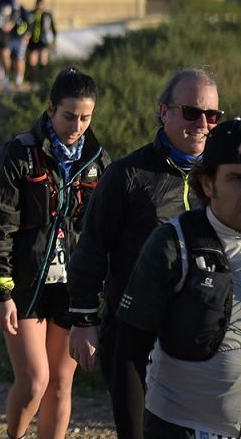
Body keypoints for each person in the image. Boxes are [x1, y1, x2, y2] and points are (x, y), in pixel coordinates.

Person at [67, 68, 221, 438]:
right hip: (134, 336)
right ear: (164, 111)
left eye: (212, 116)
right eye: (191, 112)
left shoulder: (223, 181)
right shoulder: (127, 175)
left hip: (201, 339)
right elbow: (91, 247)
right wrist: (83, 321)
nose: (202, 123)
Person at [0, 68, 110, 439]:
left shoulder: (99, 162)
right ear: (50, 108)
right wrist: (0, 292)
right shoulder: (18, 154)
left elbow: (101, 233)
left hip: (72, 289)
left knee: (60, 385)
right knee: (35, 381)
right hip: (25, 285)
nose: (78, 126)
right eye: (70, 116)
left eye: (86, 117)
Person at [115, 118, 241, 439]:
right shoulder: (174, 243)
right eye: (236, 178)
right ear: (208, 184)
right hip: (181, 428)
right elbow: (129, 351)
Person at [27, 0, 57, 86]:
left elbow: (53, 28)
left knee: (43, 60)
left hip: (44, 40)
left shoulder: (47, 15)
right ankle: (33, 82)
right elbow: (28, 26)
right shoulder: (32, 14)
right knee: (33, 61)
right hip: (33, 41)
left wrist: (54, 41)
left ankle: (43, 82)